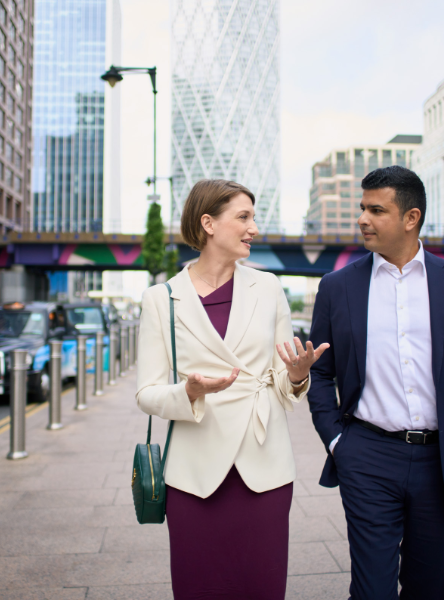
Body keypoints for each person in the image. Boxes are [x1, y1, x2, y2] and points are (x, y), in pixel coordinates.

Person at [307, 165, 444, 600]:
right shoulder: (337, 287)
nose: (362, 218)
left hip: (443, 463)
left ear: (410, 217)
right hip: (368, 457)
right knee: (372, 589)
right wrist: (338, 442)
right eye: (362, 208)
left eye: (376, 210)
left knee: (426, 588)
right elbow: (320, 371)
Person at [136, 179, 329, 600]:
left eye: (253, 218)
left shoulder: (269, 288)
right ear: (208, 223)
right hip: (194, 474)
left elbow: (282, 384)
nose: (253, 228)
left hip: (264, 468)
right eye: (243, 217)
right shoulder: (161, 299)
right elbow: (146, 393)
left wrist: (297, 375)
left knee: (262, 586)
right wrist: (188, 393)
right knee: (199, 587)